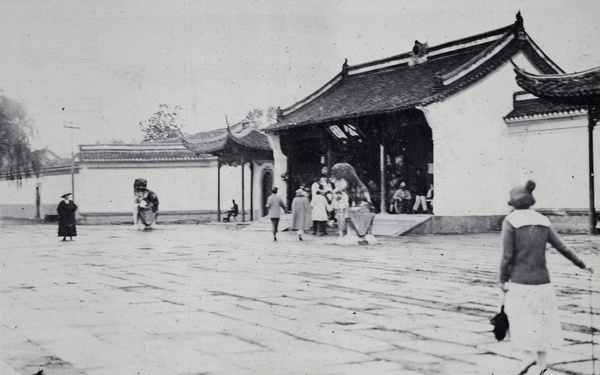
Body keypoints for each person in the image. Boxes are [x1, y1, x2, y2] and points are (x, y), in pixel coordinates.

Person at [499, 180, 592, 374]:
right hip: (543, 282)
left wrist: (502, 279)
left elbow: (507, 256)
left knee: (520, 321)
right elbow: (562, 247)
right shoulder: (542, 221)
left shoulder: (510, 222)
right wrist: (583, 264)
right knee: (542, 323)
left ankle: (527, 357)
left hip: (519, 282)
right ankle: (541, 366)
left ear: (513, 203)